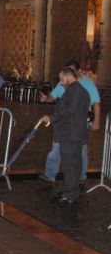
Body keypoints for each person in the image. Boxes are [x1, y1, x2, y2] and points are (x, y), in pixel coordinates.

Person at [39, 60, 101, 185]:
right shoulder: (64, 83)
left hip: (76, 124)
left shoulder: (84, 85)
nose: (62, 80)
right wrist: (47, 98)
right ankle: (50, 175)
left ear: (77, 71)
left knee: (79, 151)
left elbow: (94, 103)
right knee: (56, 149)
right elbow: (54, 96)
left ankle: (80, 177)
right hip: (63, 124)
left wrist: (97, 121)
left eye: (70, 71)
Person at [36, 68, 91, 204]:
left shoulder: (74, 90)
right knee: (75, 163)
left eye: (62, 79)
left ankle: (70, 193)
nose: (61, 82)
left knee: (69, 164)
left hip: (70, 134)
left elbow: (70, 110)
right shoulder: (81, 91)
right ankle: (72, 190)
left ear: (68, 76)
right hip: (76, 133)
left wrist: (51, 118)